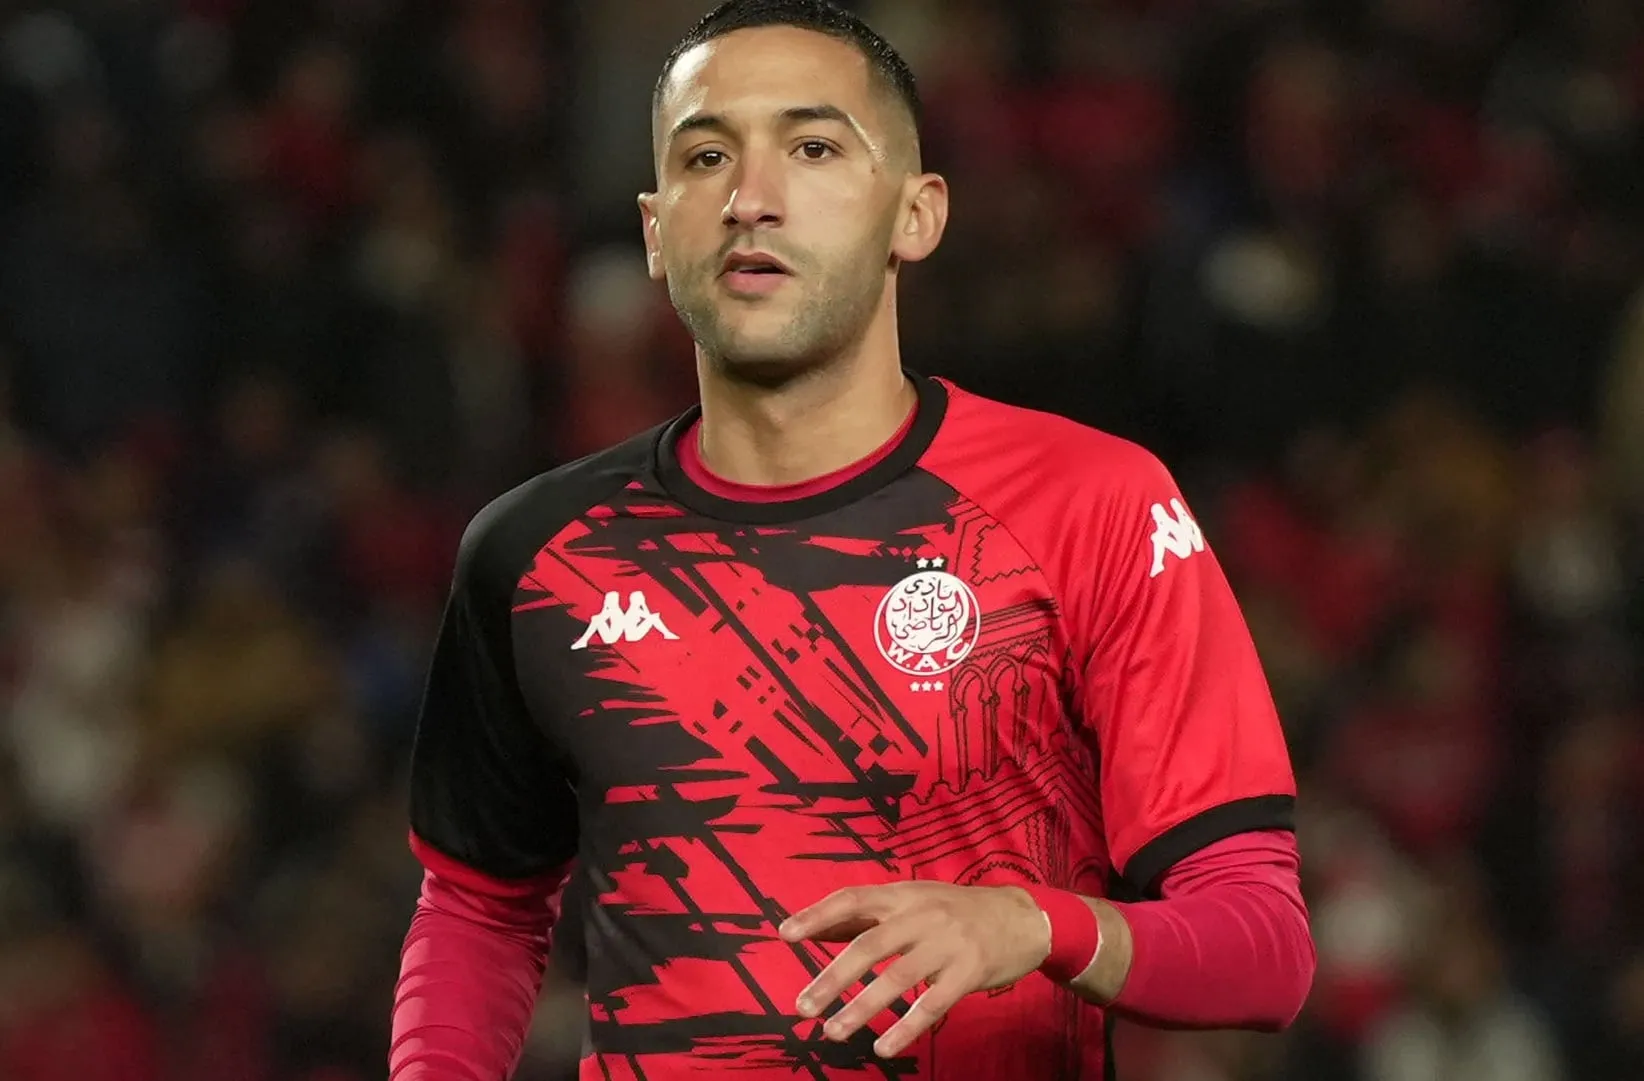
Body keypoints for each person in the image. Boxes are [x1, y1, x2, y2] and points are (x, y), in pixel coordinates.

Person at [389, 1, 1316, 1078]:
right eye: (705, 157)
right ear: (654, 231)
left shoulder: (1092, 504)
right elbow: (479, 910)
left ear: (915, 215)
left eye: (814, 148)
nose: (749, 198)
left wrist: (1034, 925)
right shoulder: (534, 553)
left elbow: (1263, 947)